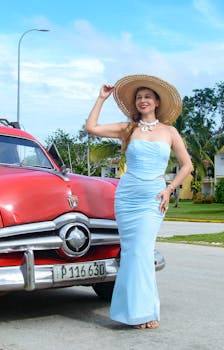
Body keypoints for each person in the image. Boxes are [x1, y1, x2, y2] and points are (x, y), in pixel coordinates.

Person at [85, 74, 193, 329]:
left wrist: (170, 190)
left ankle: (143, 312)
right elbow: (91, 127)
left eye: (147, 97)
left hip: (153, 197)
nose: (143, 101)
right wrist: (101, 98)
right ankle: (138, 313)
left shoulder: (170, 131)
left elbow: (187, 165)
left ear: (157, 102)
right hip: (128, 196)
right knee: (133, 253)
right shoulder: (128, 129)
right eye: (139, 98)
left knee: (143, 252)